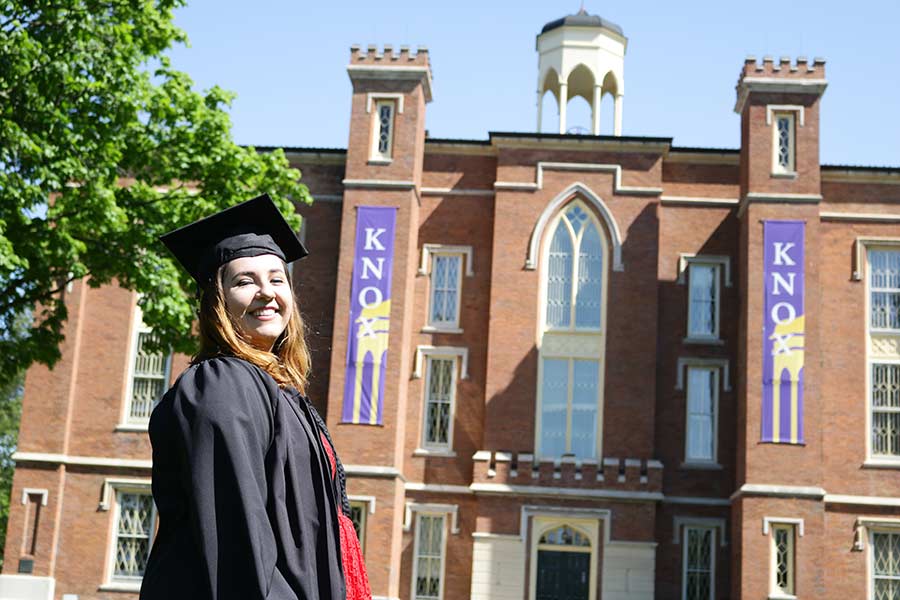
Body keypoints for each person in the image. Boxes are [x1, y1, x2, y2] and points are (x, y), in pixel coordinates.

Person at [140, 194, 370, 600]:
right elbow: (237, 542)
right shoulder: (220, 385)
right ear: (217, 301)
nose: (267, 292)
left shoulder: (284, 392)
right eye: (245, 281)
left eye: (277, 279)